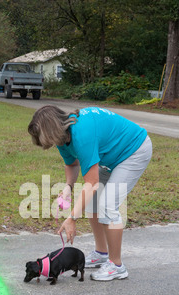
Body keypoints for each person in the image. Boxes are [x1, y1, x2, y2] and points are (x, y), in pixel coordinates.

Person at [28, 105, 152, 281]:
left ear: (51, 130)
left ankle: (117, 266)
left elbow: (91, 183)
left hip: (134, 151)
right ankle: (102, 253)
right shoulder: (63, 136)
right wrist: (68, 188)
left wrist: (71, 218)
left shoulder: (81, 134)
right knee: (93, 202)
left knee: (108, 205)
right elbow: (72, 164)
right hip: (112, 156)